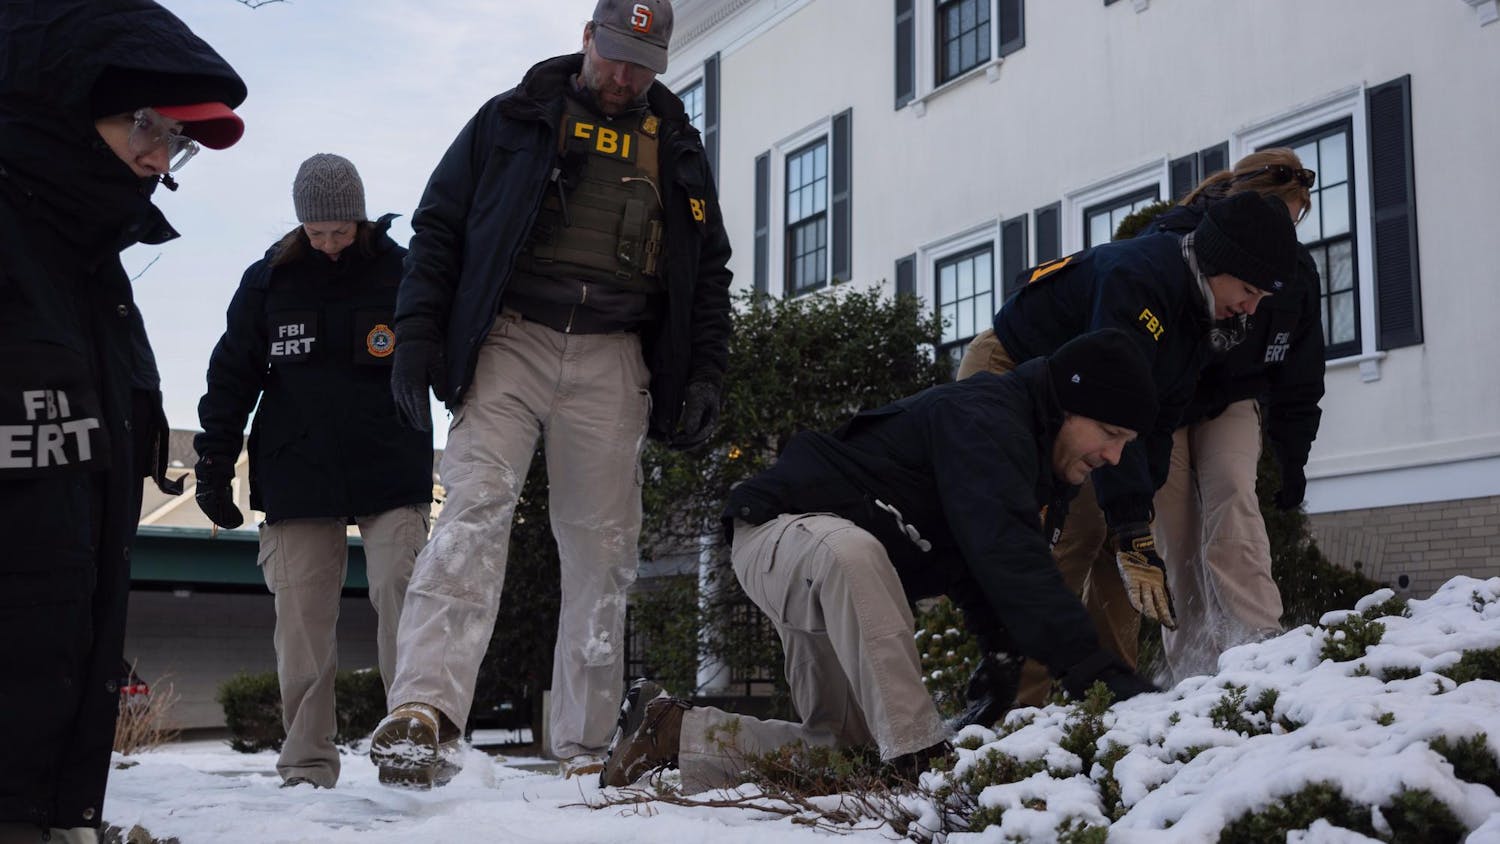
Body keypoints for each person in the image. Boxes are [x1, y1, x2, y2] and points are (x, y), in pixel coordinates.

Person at [375, 0, 732, 787]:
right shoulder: (511, 118)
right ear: (586, 39)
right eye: (612, 54)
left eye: (641, 62)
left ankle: (583, 744)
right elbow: (438, 227)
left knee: (603, 551)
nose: (622, 74)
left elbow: (709, 274)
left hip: (614, 356)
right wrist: (415, 337)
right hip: (511, 339)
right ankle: (423, 714)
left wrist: (705, 371)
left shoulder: (678, 149)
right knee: (472, 511)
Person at [599, 330, 1161, 791]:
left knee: (847, 755)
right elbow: (1009, 553)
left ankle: (668, 732)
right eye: (1109, 434)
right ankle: (922, 762)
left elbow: (980, 566)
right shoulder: (986, 418)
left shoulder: (1032, 461)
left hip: (837, 578)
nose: (1113, 456)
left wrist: (1003, 654)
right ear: (1067, 406)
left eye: (1126, 443)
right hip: (779, 533)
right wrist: (1096, 668)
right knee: (854, 553)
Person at [0, 1, 246, 840]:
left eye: (175, 139)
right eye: (147, 122)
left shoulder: (89, 265)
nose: (157, 154)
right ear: (58, 105)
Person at [956, 190, 1301, 706]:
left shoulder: (1200, 314)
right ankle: (1012, 710)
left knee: (1127, 555)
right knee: (1070, 533)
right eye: (1248, 289)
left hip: (1083, 398)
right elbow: (1110, 403)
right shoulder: (1138, 280)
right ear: (1216, 262)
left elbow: (1157, 421)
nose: (1251, 308)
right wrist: (1131, 521)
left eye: (1261, 299)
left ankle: (1107, 701)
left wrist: (1135, 524)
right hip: (1013, 371)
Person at [194, 154, 434, 789]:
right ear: (302, 225)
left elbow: (449, 351)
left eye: (340, 230)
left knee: (402, 597)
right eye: (317, 232)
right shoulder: (269, 280)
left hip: (390, 463)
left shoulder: (403, 271)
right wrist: (215, 462)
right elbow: (232, 373)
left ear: (359, 217)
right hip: (297, 467)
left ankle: (410, 750)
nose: (329, 243)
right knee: (301, 622)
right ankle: (306, 765)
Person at [1139, 150, 1326, 682]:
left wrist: (1294, 458)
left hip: (1233, 397)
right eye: (1271, 217)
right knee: (1175, 535)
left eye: (1291, 224)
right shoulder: (1174, 243)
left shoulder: (1298, 275)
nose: (1278, 237)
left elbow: (1301, 374)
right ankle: (1192, 667)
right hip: (1165, 403)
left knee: (1233, 493)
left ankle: (1261, 642)